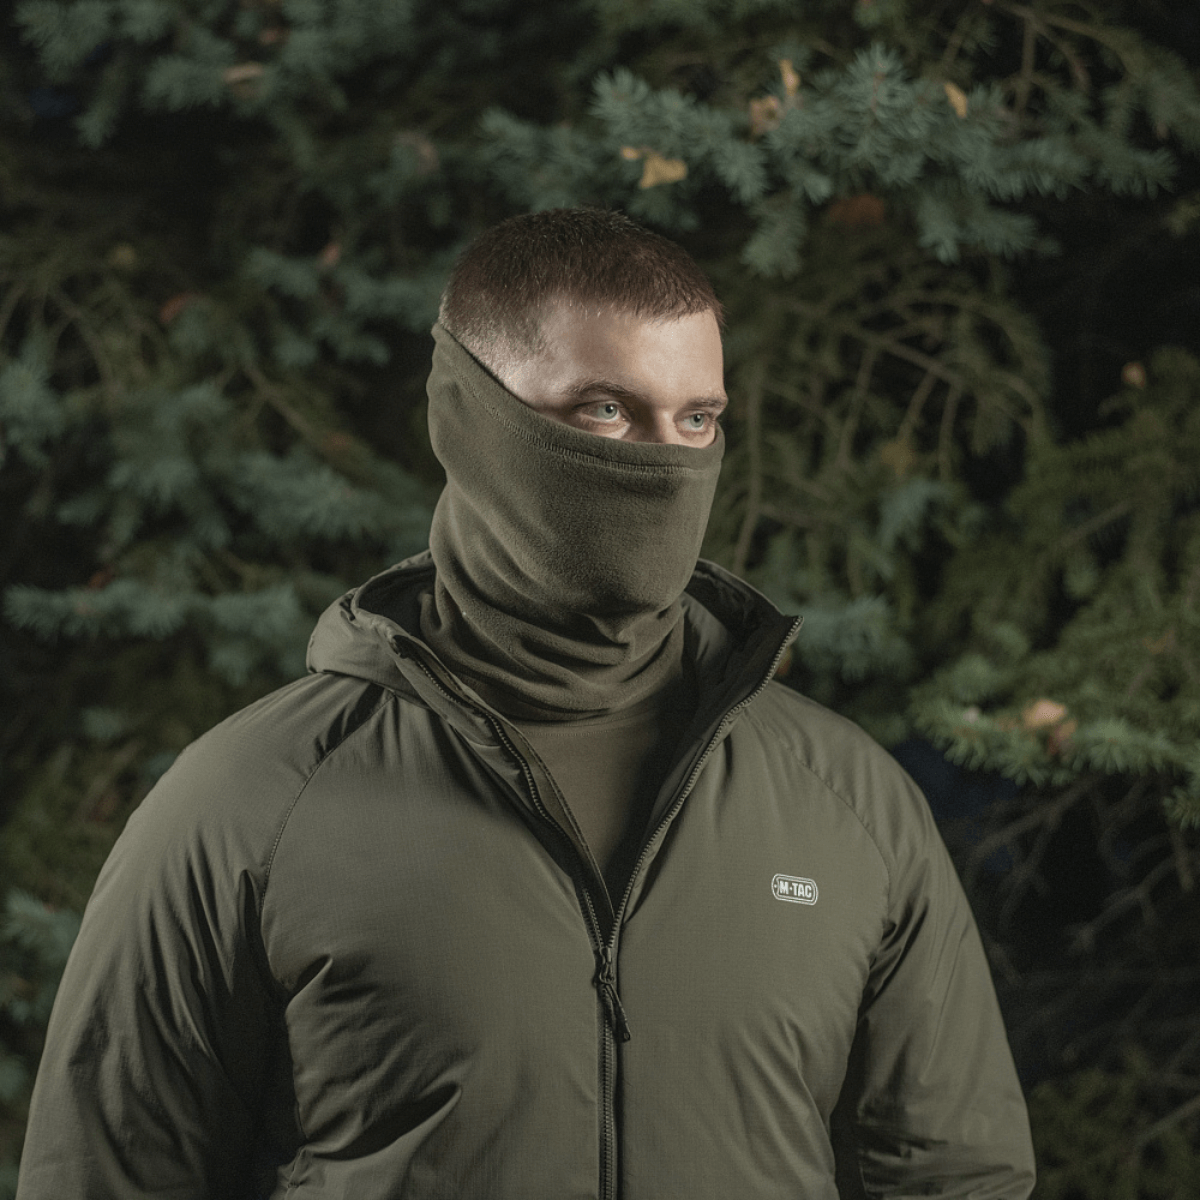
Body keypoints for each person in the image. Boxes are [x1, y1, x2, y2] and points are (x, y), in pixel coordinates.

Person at [17, 207, 1035, 1199]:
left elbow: (956, 1176)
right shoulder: (250, 803)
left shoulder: (848, 804)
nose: (664, 462)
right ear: (466, 415)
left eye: (696, 419)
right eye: (605, 410)